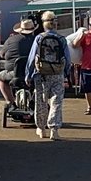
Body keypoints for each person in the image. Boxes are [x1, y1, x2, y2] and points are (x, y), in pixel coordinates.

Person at [25, 10, 71, 140]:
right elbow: (67, 59)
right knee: (56, 101)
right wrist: (65, 73)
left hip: (41, 74)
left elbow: (32, 58)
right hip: (57, 73)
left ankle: (41, 128)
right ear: (55, 24)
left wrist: (28, 75)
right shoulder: (61, 39)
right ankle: (54, 129)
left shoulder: (39, 38)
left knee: (41, 101)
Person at [0, 18, 37, 105]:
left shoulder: (11, 40)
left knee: (0, 76)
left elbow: (2, 54)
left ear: (20, 30)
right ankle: (35, 99)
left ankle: (10, 102)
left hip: (15, 73)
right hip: (33, 74)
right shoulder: (37, 40)